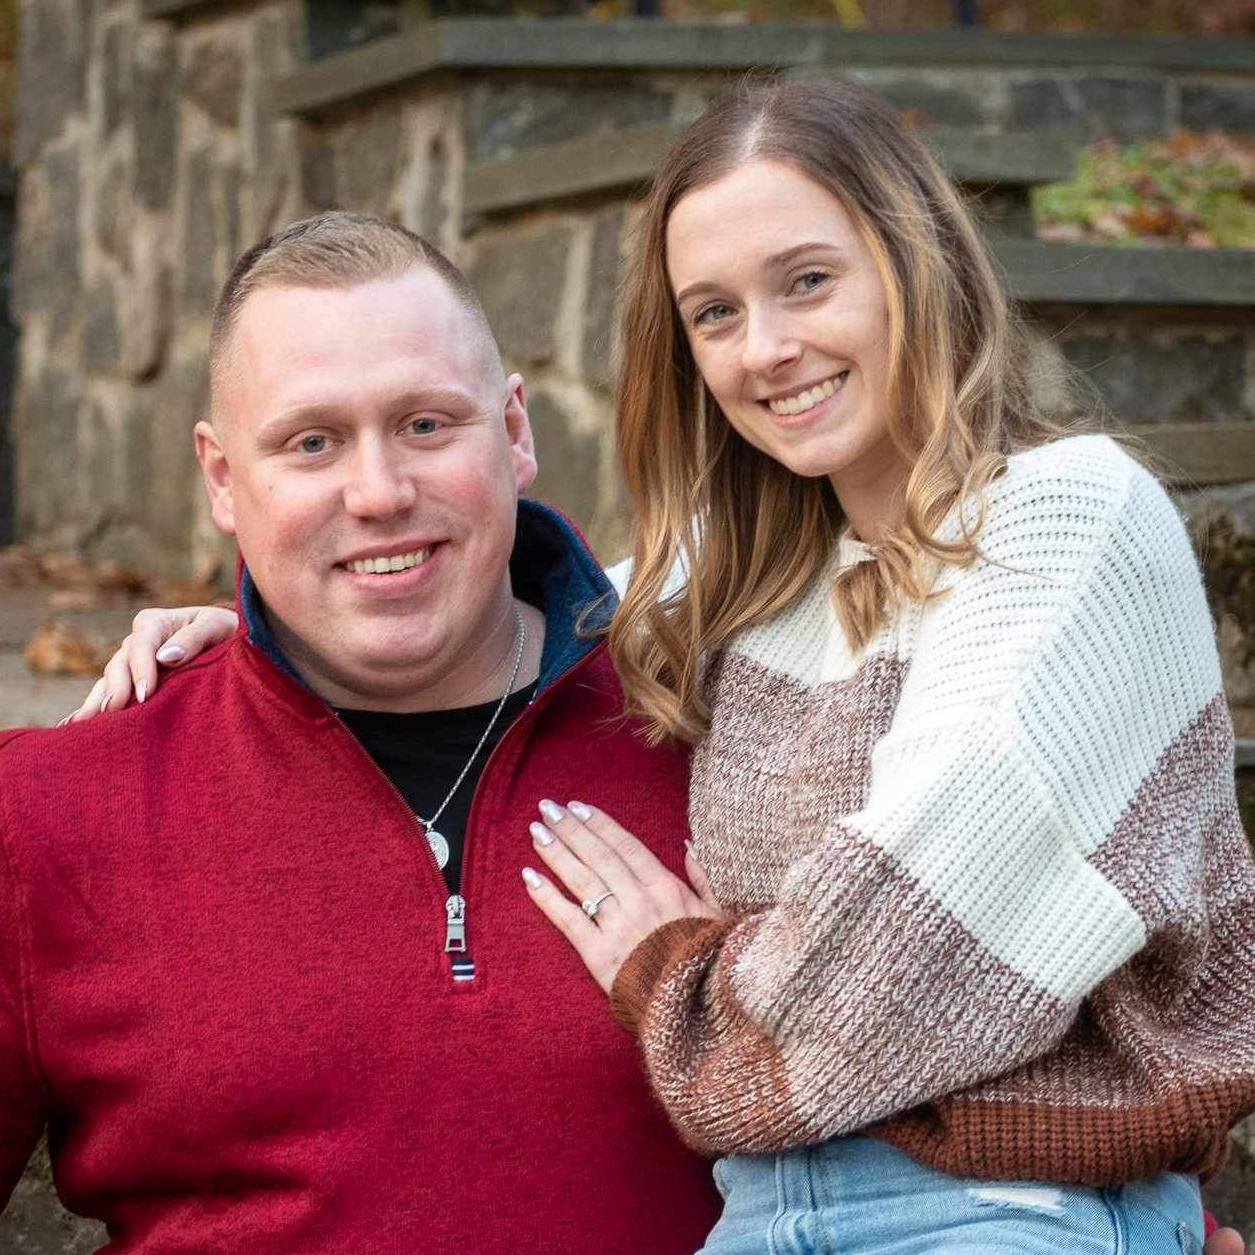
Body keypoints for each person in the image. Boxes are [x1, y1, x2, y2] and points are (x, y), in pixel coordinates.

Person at [74, 89, 1255, 1255]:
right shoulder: (751, 573)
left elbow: (866, 998)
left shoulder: (1068, 519)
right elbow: (489, 601)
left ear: (915, 263)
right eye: (715, 312)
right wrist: (280, 633)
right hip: (769, 1210)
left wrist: (666, 969)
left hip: (1011, 1208)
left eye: (807, 280)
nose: (767, 348)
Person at [0, 213, 720, 1253]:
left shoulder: (721, 736)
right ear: (221, 478)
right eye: (311, 442)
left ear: (514, 431)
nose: (380, 493)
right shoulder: (50, 813)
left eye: (426, 424)